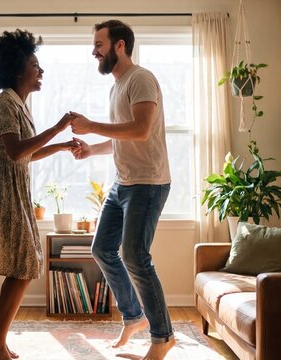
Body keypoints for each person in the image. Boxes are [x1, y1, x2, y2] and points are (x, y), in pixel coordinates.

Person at [0, 29, 77, 360]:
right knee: (26, 264)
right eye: (35, 64)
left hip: (11, 186)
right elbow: (15, 152)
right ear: (18, 70)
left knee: (21, 264)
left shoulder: (19, 104)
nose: (40, 71)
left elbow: (23, 153)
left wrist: (59, 146)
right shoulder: (4, 102)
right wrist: (57, 128)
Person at [70, 20, 175, 360]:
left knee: (135, 256)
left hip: (148, 183)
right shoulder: (117, 86)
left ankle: (163, 337)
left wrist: (90, 125)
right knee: (102, 248)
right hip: (123, 182)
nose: (93, 50)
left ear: (119, 46)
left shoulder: (141, 79)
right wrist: (91, 148)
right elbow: (122, 135)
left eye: (99, 43)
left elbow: (141, 130)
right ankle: (134, 316)